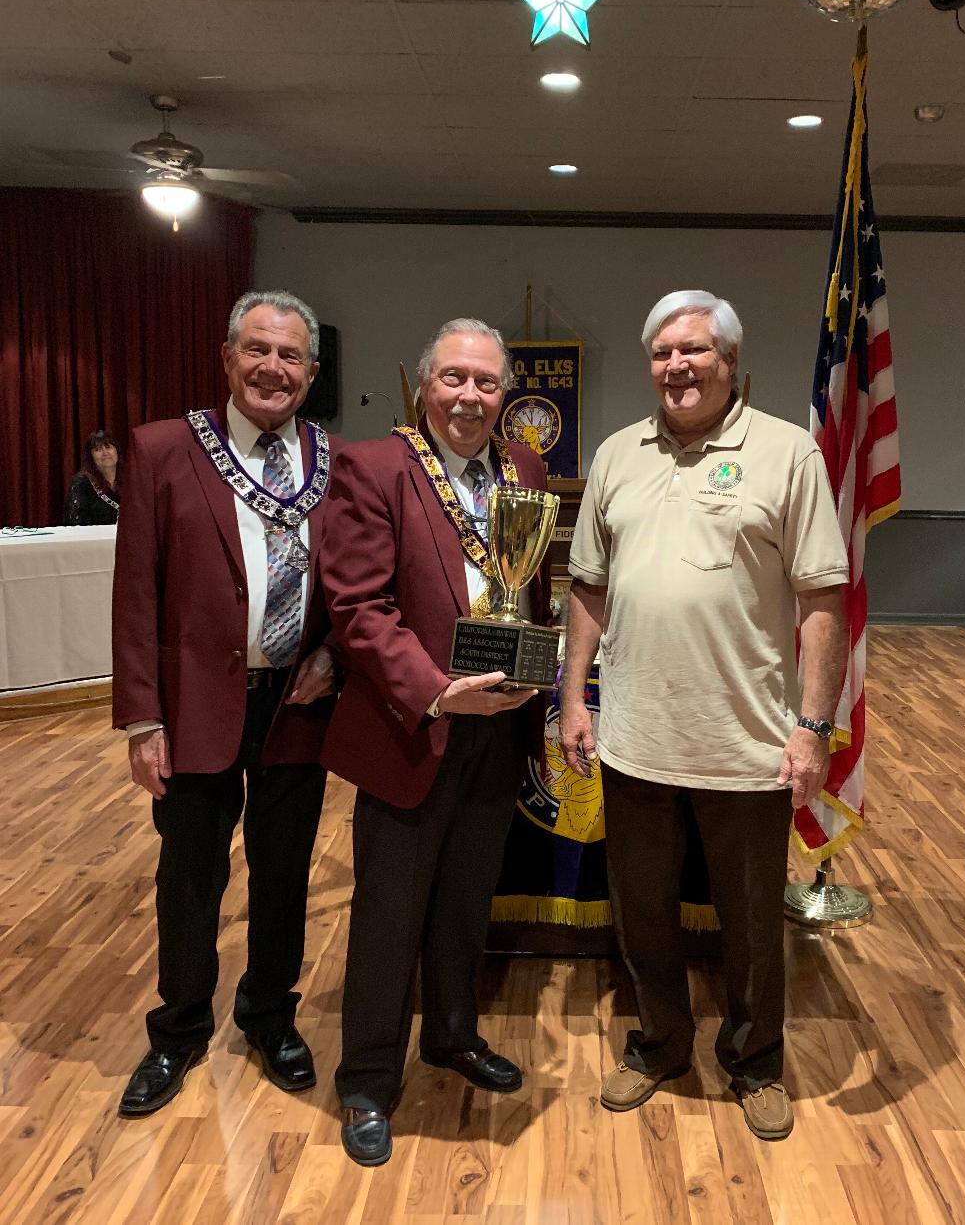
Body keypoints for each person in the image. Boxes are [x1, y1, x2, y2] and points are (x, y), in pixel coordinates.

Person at [559, 289, 848, 1142]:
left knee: (753, 921)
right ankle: (659, 1043)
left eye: (694, 351)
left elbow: (822, 596)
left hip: (749, 742)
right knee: (641, 909)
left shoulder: (787, 453)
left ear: (730, 360)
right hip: (636, 739)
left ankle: (755, 1061)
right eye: (662, 353)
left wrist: (814, 726)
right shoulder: (617, 454)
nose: (676, 367)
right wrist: (574, 695)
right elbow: (588, 587)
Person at [320, 318, 548, 1167]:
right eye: (454, 378)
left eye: (487, 382)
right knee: (389, 909)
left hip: (499, 725)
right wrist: (435, 691)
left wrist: (534, 667)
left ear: (504, 394)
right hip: (411, 728)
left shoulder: (520, 468)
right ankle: (368, 1080)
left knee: (466, 896)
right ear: (425, 386)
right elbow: (357, 606)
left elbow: (527, 586)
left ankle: (451, 1035)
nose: (470, 396)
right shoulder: (375, 467)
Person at [112, 289, 343, 1117]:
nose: (271, 369)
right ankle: (176, 1030)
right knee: (189, 878)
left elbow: (352, 588)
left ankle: (270, 1015)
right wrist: (143, 718)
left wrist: (334, 654)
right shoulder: (165, 449)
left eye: (288, 356)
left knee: (283, 874)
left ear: (311, 373)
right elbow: (135, 593)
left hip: (298, 701)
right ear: (227, 356)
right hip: (194, 705)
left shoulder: (332, 458)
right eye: (257, 349)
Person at [64, 430, 121, 524]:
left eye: (108, 447)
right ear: (91, 456)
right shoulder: (81, 483)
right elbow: (75, 522)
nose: (105, 453)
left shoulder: (130, 479)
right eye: (98, 449)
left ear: (117, 451)